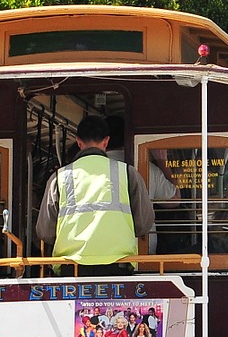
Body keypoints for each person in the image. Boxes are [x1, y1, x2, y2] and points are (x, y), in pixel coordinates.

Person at [34, 114, 156, 270]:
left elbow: (45, 231)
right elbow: (144, 224)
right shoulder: (127, 173)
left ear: (78, 142)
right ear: (106, 141)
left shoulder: (59, 177)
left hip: (71, 267)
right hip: (118, 265)